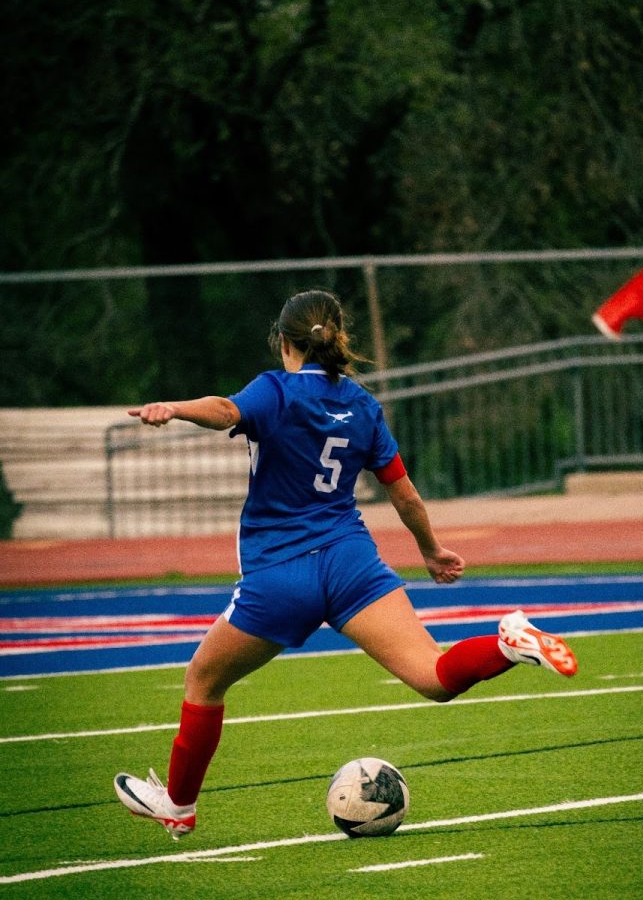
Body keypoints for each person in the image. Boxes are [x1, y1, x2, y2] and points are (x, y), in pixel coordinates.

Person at [114, 290, 577, 839]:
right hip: (351, 560)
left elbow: (225, 410)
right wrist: (429, 550)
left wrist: (175, 408)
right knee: (433, 675)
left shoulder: (276, 389)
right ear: (339, 339)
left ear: (285, 343)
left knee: (204, 681)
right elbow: (403, 494)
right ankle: (507, 642)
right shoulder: (361, 404)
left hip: (281, 573)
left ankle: (180, 805)